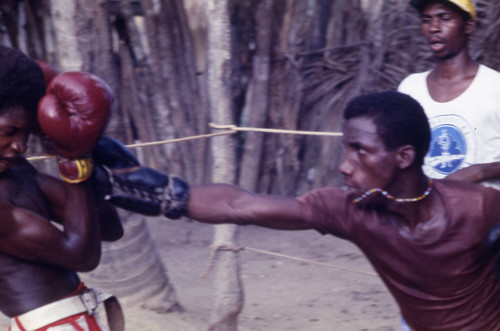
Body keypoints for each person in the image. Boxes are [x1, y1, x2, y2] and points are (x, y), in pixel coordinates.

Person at [169, 91, 500, 330]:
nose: (344, 166)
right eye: (346, 150)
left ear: (404, 157)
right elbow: (238, 204)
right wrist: (162, 193)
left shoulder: (479, 206)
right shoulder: (350, 209)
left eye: (360, 151)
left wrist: (484, 170)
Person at [0, 46, 125, 331]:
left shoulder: (17, 170)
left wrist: (81, 152)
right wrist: (73, 165)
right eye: (9, 131)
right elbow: (83, 256)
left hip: (73, 318)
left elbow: (108, 227)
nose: (21, 145)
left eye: (26, 132)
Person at [398, 0, 500, 188]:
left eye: (445, 18)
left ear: (469, 26)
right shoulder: (410, 88)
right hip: (425, 212)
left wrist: (479, 171)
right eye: (426, 20)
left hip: (485, 212)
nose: (434, 28)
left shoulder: (495, 86)